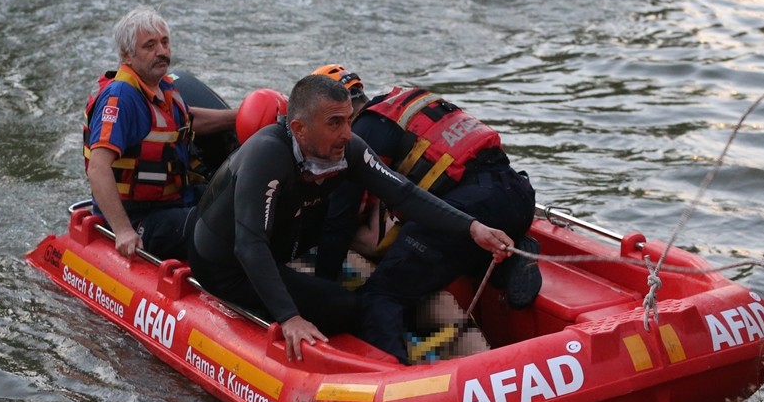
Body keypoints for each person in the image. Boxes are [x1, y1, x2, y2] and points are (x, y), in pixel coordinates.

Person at [187, 74, 516, 362]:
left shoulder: (347, 149)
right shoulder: (267, 155)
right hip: (227, 267)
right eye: (335, 123)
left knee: (335, 221)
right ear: (299, 128)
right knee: (345, 307)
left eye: (348, 119)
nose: (347, 133)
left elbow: (403, 193)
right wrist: (289, 317)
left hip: (280, 245)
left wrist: (472, 227)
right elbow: (249, 244)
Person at [311, 65, 541, 363]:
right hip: (518, 194)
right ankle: (503, 258)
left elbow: (340, 219)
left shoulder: (363, 132)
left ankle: (394, 372)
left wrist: (322, 287)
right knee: (443, 247)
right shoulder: (402, 103)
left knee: (380, 295)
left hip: (473, 206)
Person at [83, 6, 237, 261]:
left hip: (175, 199)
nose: (162, 51)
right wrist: (123, 231)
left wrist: (240, 117)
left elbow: (188, 122)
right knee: (222, 228)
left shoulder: (162, 87)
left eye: (165, 42)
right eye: (150, 45)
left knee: (244, 203)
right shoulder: (120, 98)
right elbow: (98, 168)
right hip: (140, 215)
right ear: (127, 55)